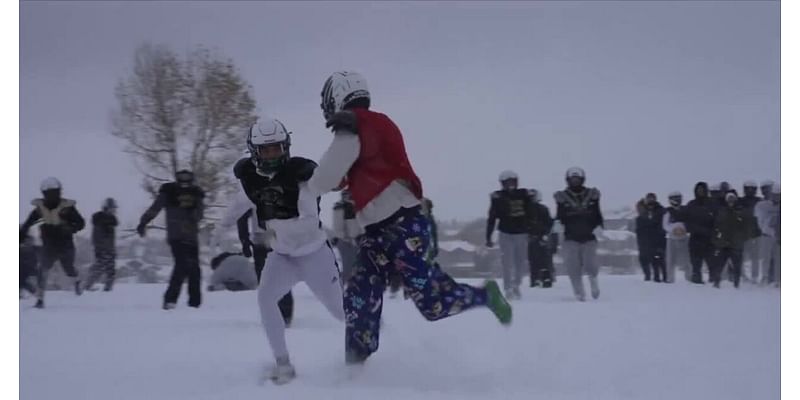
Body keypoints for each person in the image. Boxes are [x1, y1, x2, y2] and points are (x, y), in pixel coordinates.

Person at [308, 70, 512, 366]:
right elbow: (352, 170)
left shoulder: (356, 124)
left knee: (431, 304)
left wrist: (308, 186)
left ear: (336, 97)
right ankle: (355, 366)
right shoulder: (373, 127)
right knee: (359, 295)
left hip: (403, 227)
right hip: (378, 232)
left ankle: (485, 296)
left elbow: (325, 176)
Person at [233, 117, 345, 384]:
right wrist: (222, 226)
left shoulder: (300, 175)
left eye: (277, 148)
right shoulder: (251, 178)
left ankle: (384, 341)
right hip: (283, 256)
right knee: (265, 298)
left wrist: (274, 232)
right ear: (255, 152)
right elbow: (238, 205)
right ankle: (283, 363)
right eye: (266, 150)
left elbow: (308, 221)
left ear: (286, 147)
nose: (272, 155)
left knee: (341, 311)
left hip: (313, 253)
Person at [215, 189, 294, 325]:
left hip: (280, 238)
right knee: (264, 279)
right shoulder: (252, 192)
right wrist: (244, 240)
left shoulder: (283, 189)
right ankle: (273, 312)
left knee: (281, 277)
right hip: (260, 241)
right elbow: (242, 217)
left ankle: (285, 313)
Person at [136, 170, 205, 310]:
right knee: (182, 266)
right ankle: (170, 300)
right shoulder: (169, 191)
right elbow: (155, 208)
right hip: (177, 236)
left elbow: (200, 214)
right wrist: (144, 222)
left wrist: (194, 209)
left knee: (194, 270)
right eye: (182, 179)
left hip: (191, 237)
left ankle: (194, 303)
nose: (185, 182)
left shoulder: (196, 193)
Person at [19, 177, 85, 308]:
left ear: (59, 192)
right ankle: (40, 300)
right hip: (49, 244)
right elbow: (27, 224)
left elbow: (81, 223)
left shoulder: (68, 208)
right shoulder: (40, 209)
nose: (53, 196)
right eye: (50, 193)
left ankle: (77, 281)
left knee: (69, 269)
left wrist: (71, 228)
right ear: (44, 194)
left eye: (55, 192)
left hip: (66, 243)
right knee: (42, 269)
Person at [554, 167, 604, 301]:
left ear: (582, 179)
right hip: (570, 237)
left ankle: (593, 282)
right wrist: (557, 223)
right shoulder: (562, 196)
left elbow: (597, 212)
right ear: (568, 180)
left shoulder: (592, 194)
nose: (575, 181)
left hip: (589, 236)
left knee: (590, 264)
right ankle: (578, 291)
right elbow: (559, 214)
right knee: (573, 267)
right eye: (572, 179)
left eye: (577, 179)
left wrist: (599, 225)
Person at [486, 170, 532, 299]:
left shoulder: (524, 195)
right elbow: (492, 217)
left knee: (520, 262)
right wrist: (488, 236)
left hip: (521, 233)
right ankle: (508, 288)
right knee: (507, 262)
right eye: (507, 183)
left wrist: (533, 231)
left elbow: (532, 214)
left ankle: (516, 284)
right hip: (505, 233)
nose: (510, 185)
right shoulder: (498, 197)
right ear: (503, 184)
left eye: (512, 182)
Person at [711, 192, 754, 288]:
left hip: (736, 244)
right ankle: (716, 282)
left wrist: (743, 238)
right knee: (720, 264)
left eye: (732, 199)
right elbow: (716, 226)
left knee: (737, 266)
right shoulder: (722, 211)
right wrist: (716, 239)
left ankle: (736, 283)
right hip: (723, 243)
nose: (731, 201)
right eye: (729, 199)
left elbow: (747, 227)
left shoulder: (741, 211)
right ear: (726, 200)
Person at [683, 182, 716, 284]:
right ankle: (696, 282)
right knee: (696, 264)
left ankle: (714, 282)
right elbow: (686, 222)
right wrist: (696, 229)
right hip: (695, 238)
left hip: (710, 239)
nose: (700, 192)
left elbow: (717, 220)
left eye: (702, 190)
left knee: (712, 263)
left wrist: (712, 232)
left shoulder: (712, 204)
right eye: (698, 190)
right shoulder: (691, 205)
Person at [84, 198, 119, 291]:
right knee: (99, 268)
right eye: (113, 208)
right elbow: (97, 237)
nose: (115, 210)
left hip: (110, 249)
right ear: (106, 208)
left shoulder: (111, 221)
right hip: (102, 249)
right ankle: (87, 286)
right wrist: (100, 249)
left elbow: (111, 238)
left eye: (114, 208)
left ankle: (108, 289)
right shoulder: (100, 220)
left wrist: (112, 249)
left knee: (111, 270)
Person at [635, 194, 667, 282]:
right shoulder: (642, 215)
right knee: (646, 259)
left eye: (652, 198)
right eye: (649, 198)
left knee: (660, 260)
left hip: (658, 239)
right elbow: (639, 230)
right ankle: (649, 276)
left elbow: (661, 224)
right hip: (645, 241)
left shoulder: (660, 210)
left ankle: (664, 277)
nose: (650, 200)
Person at [526, 189, 554, 288]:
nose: (531, 199)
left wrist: (545, 234)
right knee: (533, 260)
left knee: (545, 259)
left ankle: (546, 279)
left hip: (542, 237)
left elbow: (549, 223)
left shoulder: (543, 209)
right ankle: (535, 279)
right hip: (530, 238)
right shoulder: (525, 211)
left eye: (533, 197)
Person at [332, 190, 361, 282]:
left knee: (353, 265)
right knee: (349, 266)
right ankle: (343, 287)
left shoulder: (344, 206)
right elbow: (338, 226)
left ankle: (347, 286)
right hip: (346, 241)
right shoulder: (343, 207)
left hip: (350, 240)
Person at [755, 184, 780, 287]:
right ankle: (764, 278)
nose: (777, 197)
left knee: (779, 258)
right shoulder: (762, 205)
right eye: (775, 195)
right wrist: (766, 229)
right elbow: (759, 220)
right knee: (766, 258)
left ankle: (778, 279)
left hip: (780, 237)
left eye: (779, 195)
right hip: (767, 235)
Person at [662, 191, 689, 283]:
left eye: (679, 198)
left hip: (684, 237)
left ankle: (689, 277)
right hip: (672, 238)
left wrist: (683, 228)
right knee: (670, 259)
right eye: (675, 199)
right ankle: (670, 278)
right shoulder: (668, 211)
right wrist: (674, 229)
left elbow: (689, 221)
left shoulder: (685, 210)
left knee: (687, 259)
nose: (677, 201)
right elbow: (665, 225)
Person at [738, 181, 762, 283]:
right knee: (741, 257)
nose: (750, 190)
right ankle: (743, 276)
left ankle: (754, 276)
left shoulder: (759, 201)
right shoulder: (740, 201)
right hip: (742, 234)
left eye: (752, 189)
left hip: (756, 233)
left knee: (755, 257)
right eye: (748, 188)